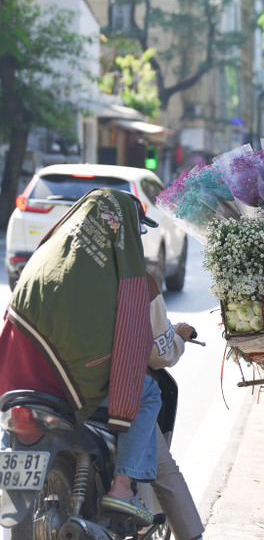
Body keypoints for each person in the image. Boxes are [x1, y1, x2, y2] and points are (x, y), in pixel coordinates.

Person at [0, 188, 161, 525]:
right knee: (147, 390)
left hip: (17, 374)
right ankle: (121, 485)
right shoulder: (124, 275)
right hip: (66, 380)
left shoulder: (46, 254)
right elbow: (133, 336)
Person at [145, 271, 206, 540]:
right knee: (163, 469)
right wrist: (179, 337)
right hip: (107, 391)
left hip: (46, 389)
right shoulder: (134, 277)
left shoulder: (45, 267)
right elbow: (161, 354)